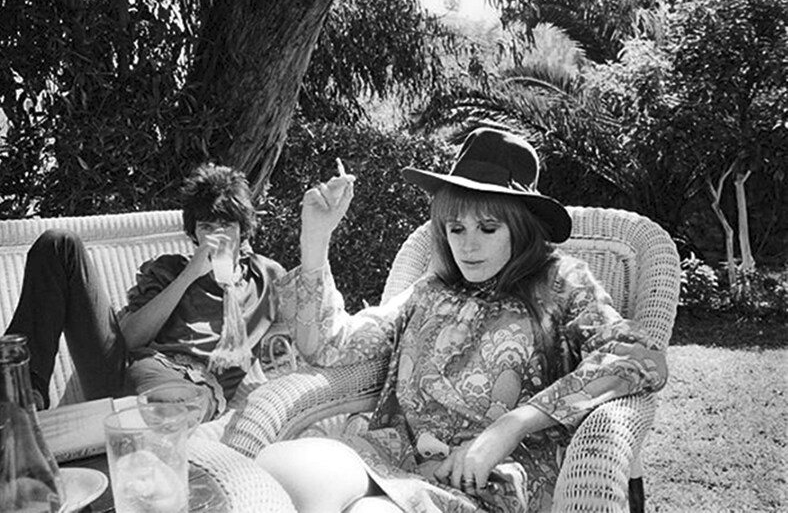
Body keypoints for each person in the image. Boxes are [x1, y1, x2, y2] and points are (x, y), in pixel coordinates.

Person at [256, 128, 668, 513]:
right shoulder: (430, 290)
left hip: (485, 483)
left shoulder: (561, 283)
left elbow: (638, 358)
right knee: (278, 469)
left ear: (521, 227)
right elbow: (328, 348)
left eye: (488, 228)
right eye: (456, 228)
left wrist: (511, 426)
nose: (468, 246)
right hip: (391, 459)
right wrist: (316, 237)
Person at [5, 163, 285, 420]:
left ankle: (137, 421)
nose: (217, 235)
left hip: (184, 388)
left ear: (242, 229)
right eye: (206, 227)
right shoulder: (168, 270)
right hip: (124, 369)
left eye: (226, 225)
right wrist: (188, 276)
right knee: (58, 244)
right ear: (194, 233)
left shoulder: (265, 277)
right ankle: (22, 397)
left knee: (169, 402)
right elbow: (128, 339)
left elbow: (299, 333)